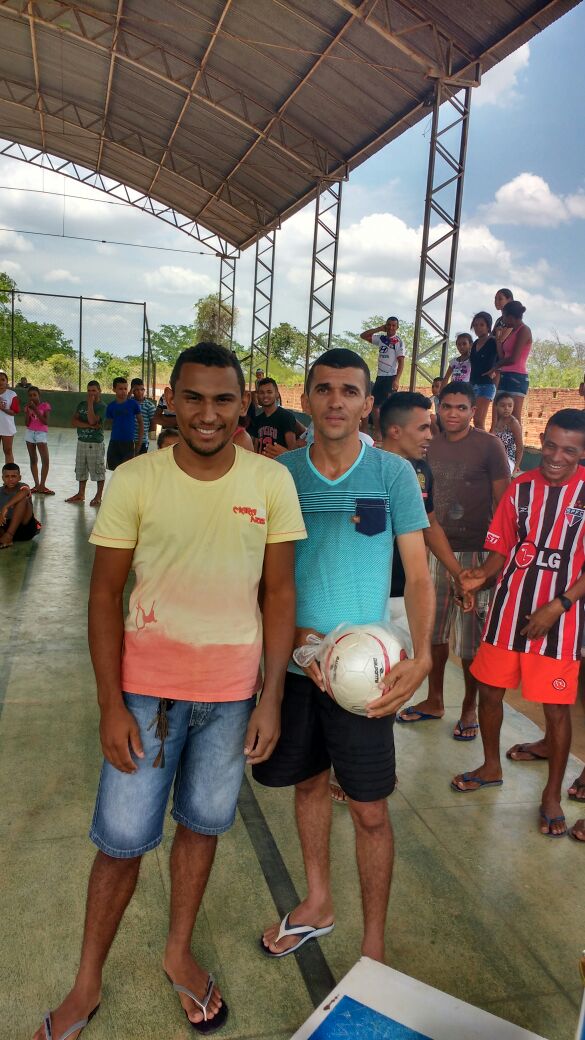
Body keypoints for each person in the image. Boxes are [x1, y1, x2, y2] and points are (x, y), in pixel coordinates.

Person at [33, 343, 306, 1039]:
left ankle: (177, 952)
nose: (207, 414)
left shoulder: (270, 482)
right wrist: (109, 705)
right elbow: (103, 596)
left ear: (243, 404)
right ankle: (86, 981)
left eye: (222, 400)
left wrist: (270, 696)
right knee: (121, 842)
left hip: (231, 699)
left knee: (201, 828)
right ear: (171, 401)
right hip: (145, 699)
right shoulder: (135, 480)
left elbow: (278, 594)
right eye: (193, 398)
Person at [253, 348, 433, 964]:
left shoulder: (392, 475)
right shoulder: (281, 475)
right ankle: (318, 902)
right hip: (302, 665)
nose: (336, 401)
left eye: (349, 391)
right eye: (324, 389)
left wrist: (424, 657)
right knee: (307, 788)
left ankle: (374, 949)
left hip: (369, 674)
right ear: (306, 399)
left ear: (367, 403)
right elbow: (267, 578)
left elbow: (419, 573)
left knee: (370, 811)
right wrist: (305, 647)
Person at [453, 409, 585, 840]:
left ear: (582, 454)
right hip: (508, 613)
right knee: (490, 693)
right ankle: (491, 766)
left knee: (556, 710)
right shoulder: (520, 488)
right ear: (539, 439)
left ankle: (551, 795)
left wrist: (558, 605)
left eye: (569, 450)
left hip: (560, 623)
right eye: (549, 445)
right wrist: (480, 576)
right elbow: (502, 549)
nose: (555, 457)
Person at [397, 383, 510, 738]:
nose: (453, 414)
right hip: (431, 549)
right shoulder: (427, 442)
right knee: (432, 632)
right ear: (438, 407)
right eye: (447, 407)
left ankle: (469, 710)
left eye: (461, 407)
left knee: (471, 642)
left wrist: (494, 560)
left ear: (473, 410)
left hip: (476, 554)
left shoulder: (489, 446)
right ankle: (434, 700)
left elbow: (505, 505)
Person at [360, 317, 405, 439]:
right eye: (388, 325)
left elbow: (401, 362)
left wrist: (397, 379)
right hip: (380, 376)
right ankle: (377, 431)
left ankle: (390, 433)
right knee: (374, 405)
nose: (391, 327)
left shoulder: (398, 341)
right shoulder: (381, 338)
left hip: (390, 376)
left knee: (389, 406)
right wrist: (379, 328)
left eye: (393, 325)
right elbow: (363, 335)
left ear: (397, 327)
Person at [488, 300, 532, 424]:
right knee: (500, 415)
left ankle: (517, 444)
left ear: (511, 317)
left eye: (504, 316)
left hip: (517, 377)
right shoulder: (511, 331)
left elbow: (514, 358)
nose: (503, 320)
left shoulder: (524, 330)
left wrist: (495, 366)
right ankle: (501, 443)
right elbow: (503, 355)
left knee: (514, 417)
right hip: (504, 375)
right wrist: (498, 340)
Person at [67, 381, 107, 507]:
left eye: (94, 391)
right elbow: (74, 421)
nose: (91, 393)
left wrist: (90, 405)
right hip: (82, 442)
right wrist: (88, 425)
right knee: (81, 469)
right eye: (89, 391)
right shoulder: (81, 404)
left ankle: (98, 496)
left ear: (99, 391)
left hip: (95, 443)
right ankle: (81, 493)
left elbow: (92, 419)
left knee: (98, 470)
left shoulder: (102, 407)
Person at [248, 377, 297, 454]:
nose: (265, 395)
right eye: (261, 392)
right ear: (258, 395)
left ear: (277, 394)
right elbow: (255, 447)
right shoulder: (257, 419)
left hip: (279, 464)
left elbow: (293, 452)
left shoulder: (286, 417)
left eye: (269, 392)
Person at [105, 377, 143, 470]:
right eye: (120, 389)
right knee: (113, 470)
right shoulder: (111, 406)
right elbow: (109, 423)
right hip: (114, 443)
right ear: (114, 389)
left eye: (125, 389)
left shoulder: (133, 404)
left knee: (127, 471)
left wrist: (139, 442)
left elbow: (140, 423)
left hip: (129, 443)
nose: (123, 391)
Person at [468, 312, 498, 430]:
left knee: (479, 421)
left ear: (488, 326)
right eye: (475, 325)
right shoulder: (475, 343)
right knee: (469, 418)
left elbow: (501, 358)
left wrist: (494, 370)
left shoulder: (493, 342)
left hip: (486, 384)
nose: (478, 328)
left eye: (481, 325)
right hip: (472, 384)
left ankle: (485, 447)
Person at [0, 462, 40, 547]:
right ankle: (6, 536)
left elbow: (25, 491)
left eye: (14, 476)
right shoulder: (0, 491)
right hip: (6, 526)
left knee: (23, 499)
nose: (10, 479)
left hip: (25, 528)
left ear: (19, 477)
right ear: (2, 478)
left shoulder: (23, 487)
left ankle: (9, 536)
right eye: (7, 476)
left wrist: (6, 506)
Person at [24, 386, 53, 495]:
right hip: (30, 433)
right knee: (33, 459)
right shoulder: (28, 407)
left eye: (34, 395)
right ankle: (36, 485)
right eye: (30, 395)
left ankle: (42, 485)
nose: (32, 397)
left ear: (39, 395)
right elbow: (26, 423)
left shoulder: (45, 406)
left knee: (45, 460)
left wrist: (35, 409)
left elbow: (45, 421)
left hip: (41, 433)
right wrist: (28, 411)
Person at [491, 391, 524, 475]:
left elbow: (520, 447)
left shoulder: (514, 423)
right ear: (496, 406)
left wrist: (516, 467)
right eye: (503, 405)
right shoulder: (497, 421)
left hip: (508, 459)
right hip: (494, 458)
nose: (507, 408)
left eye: (510, 406)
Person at [131, 378, 157, 454]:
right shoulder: (129, 403)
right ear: (132, 390)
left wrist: (146, 434)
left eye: (142, 389)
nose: (140, 392)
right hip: (128, 440)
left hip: (142, 441)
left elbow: (153, 423)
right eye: (137, 390)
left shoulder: (149, 406)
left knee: (139, 463)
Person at [0, 369, 19, 464]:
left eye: (3, 379)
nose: (0, 382)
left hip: (7, 427)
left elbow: (15, 412)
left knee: (7, 450)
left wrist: (3, 408)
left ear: (6, 382)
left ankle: (10, 472)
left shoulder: (12, 394)